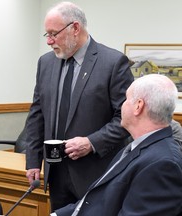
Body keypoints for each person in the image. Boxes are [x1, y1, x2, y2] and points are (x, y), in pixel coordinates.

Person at [25, 1, 134, 211]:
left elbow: (126, 118)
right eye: (46, 34)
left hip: (96, 173)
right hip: (56, 173)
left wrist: (91, 142)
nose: (49, 41)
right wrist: (32, 160)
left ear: (75, 28)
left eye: (53, 33)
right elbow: (37, 114)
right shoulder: (45, 63)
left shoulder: (113, 62)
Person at [53, 74, 182, 216]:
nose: (122, 105)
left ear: (138, 106)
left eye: (126, 99)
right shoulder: (135, 147)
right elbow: (96, 201)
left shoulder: (163, 164)